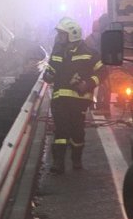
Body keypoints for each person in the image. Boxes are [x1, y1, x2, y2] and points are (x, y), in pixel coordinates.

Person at [43, 17, 104, 174]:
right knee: (61, 131)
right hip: (60, 99)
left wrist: (88, 84)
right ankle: (58, 163)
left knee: (77, 132)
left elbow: (103, 72)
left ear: (72, 35)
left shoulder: (89, 53)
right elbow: (51, 70)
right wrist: (48, 75)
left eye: (62, 34)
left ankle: (76, 160)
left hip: (79, 101)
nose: (59, 37)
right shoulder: (58, 51)